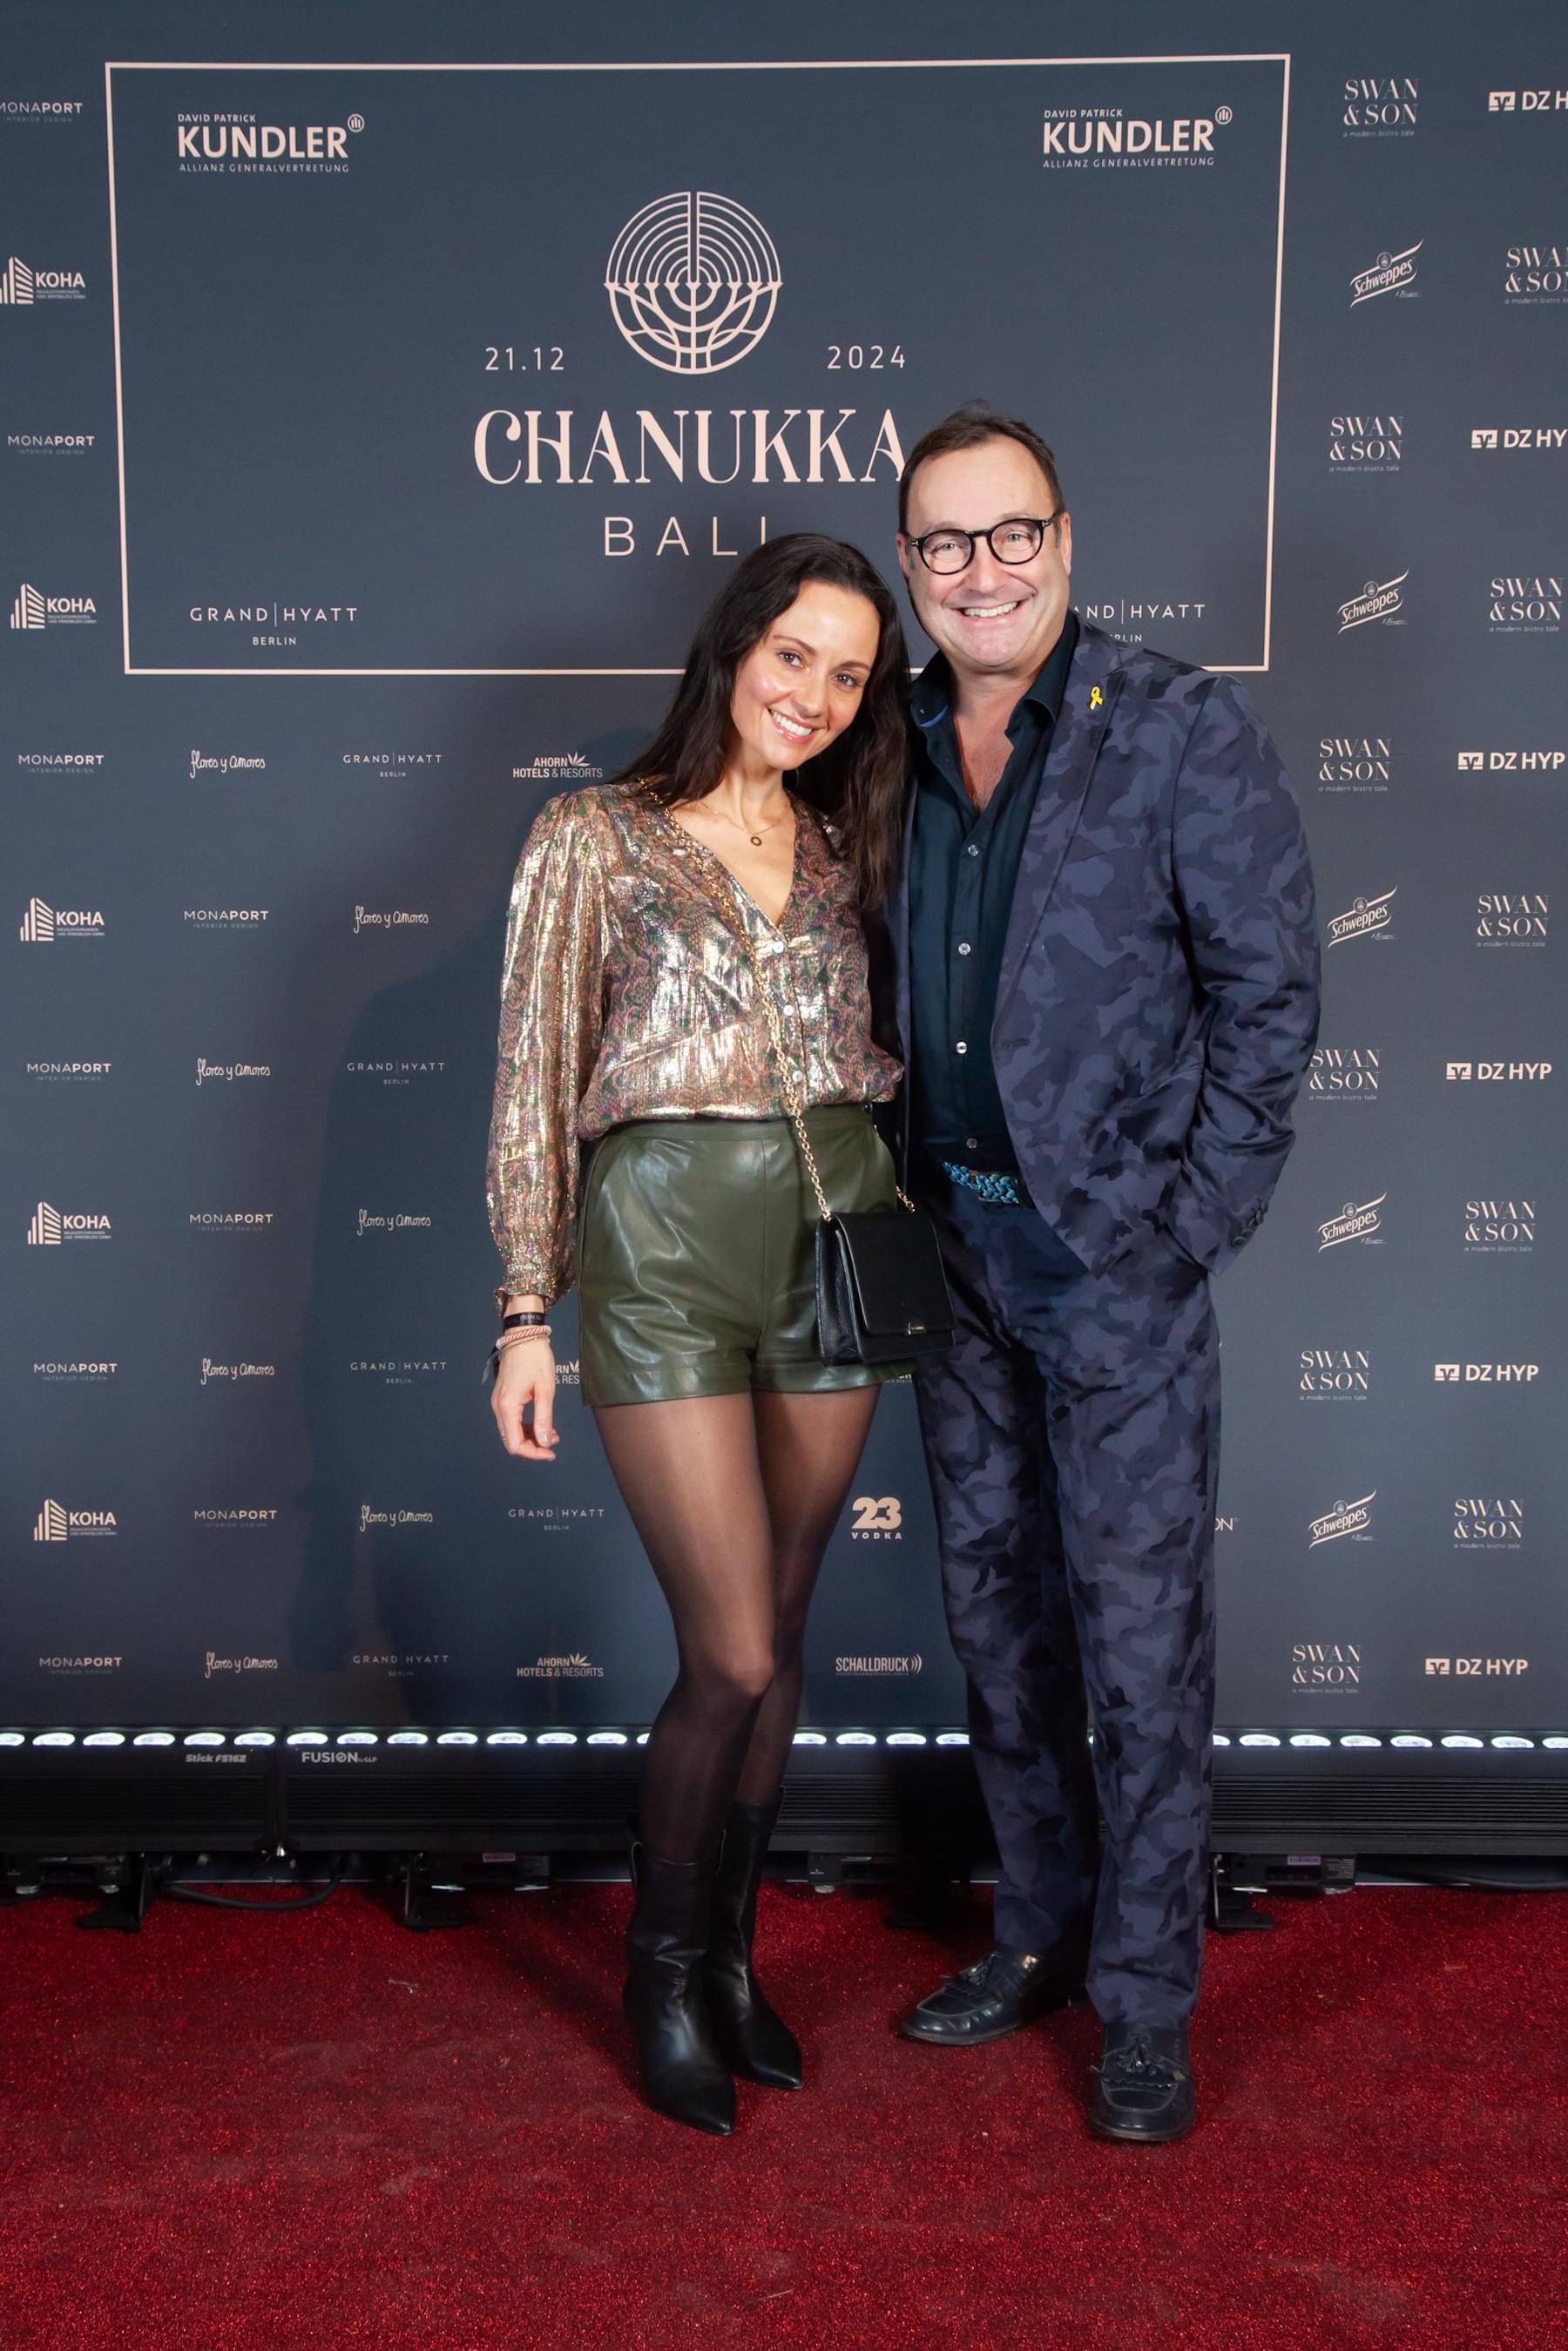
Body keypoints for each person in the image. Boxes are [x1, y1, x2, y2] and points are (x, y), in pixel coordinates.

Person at [889, 404, 1320, 2143]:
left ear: (1064, 541)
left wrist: (1185, 1226)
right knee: (997, 1621)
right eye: (946, 541)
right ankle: (1038, 1932)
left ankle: (1144, 2001)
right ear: (911, 563)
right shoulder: (888, 739)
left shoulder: (1180, 728)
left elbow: (1271, 994)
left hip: (1110, 1264)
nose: (982, 569)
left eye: (1014, 533)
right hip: (946, 1251)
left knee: (1140, 1645)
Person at [485, 535, 911, 2136]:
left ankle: (731, 1962)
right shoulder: (592, 833)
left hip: (838, 1232)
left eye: (849, 674)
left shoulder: (849, 844)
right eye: (793, 654)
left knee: (783, 1633)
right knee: (727, 1651)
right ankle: (658, 1977)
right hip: (661, 1247)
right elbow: (536, 1078)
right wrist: (526, 1311)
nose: (814, 695)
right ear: (734, 646)